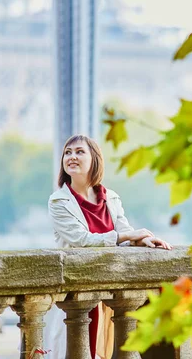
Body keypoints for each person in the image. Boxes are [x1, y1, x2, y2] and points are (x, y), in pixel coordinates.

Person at [44, 135, 171, 359]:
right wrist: (128, 235)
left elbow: (124, 231)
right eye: (67, 152)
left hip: (112, 291)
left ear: (95, 158)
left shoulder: (110, 197)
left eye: (79, 152)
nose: (72, 157)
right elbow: (82, 240)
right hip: (80, 291)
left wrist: (144, 241)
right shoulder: (58, 202)